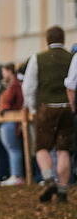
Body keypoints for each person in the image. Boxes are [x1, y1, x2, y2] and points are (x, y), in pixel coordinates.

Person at [25, 25, 73, 202]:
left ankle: (48, 179)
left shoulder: (38, 59)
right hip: (68, 107)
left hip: (46, 107)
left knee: (42, 147)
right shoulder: (72, 58)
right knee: (63, 149)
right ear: (63, 39)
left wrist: (33, 108)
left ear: (47, 39)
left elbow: (29, 87)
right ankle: (62, 189)